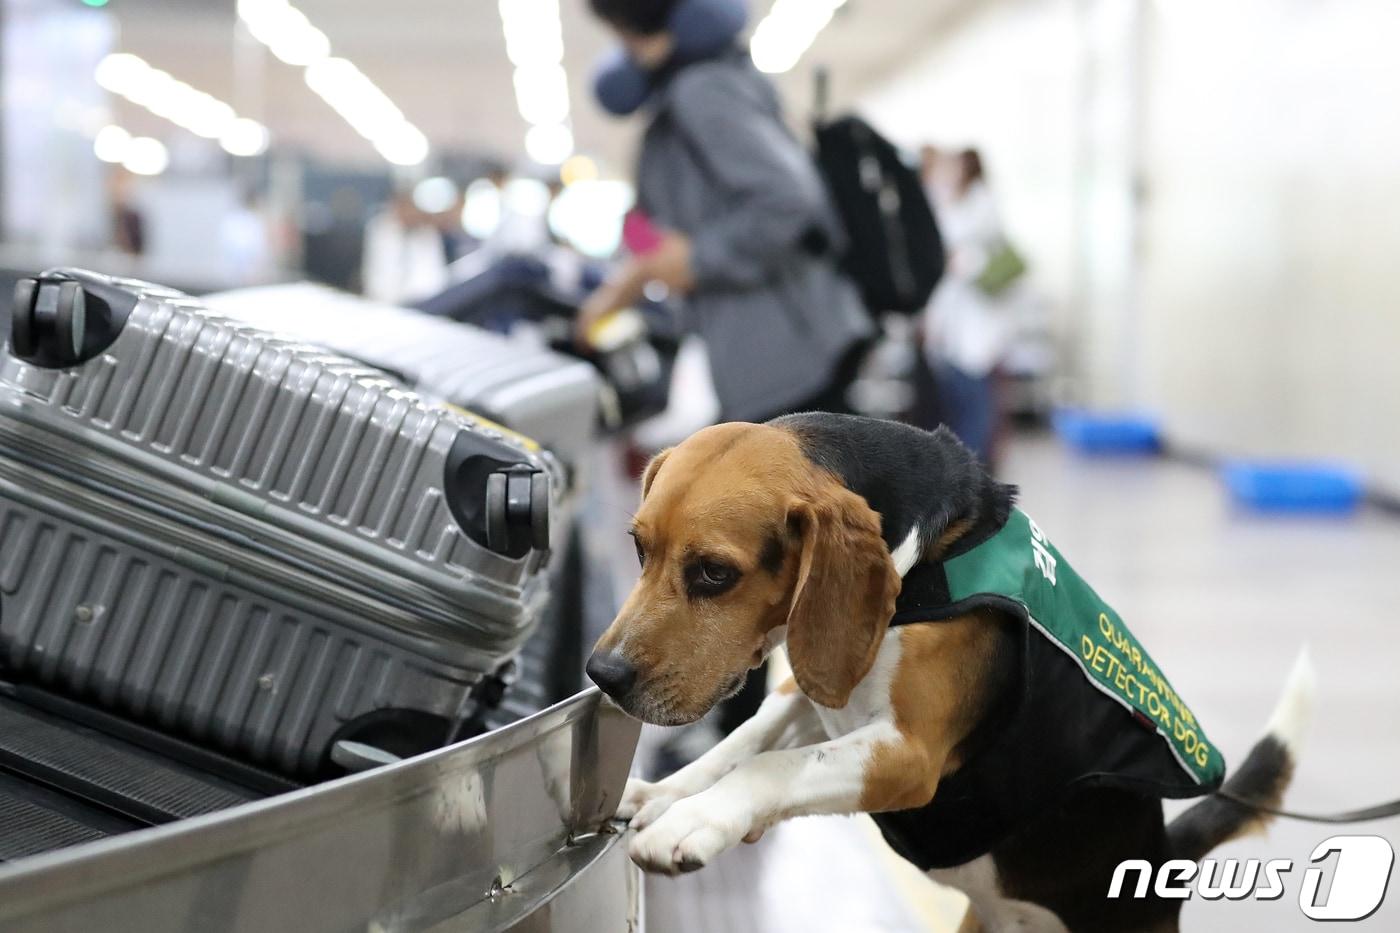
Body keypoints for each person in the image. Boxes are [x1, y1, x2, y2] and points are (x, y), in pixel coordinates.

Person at [577, 0, 873, 426]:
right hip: (763, 347)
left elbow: (788, 200)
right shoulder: (679, 102)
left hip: (788, 346)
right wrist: (634, 272)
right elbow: (660, 226)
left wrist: (696, 259)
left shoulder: (703, 90)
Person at [922, 148, 1014, 470]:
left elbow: (979, 258)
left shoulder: (982, 207)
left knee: (976, 404)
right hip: (953, 328)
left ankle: (973, 468)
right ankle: (962, 465)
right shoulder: (950, 205)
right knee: (957, 401)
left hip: (978, 327)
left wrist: (960, 260)